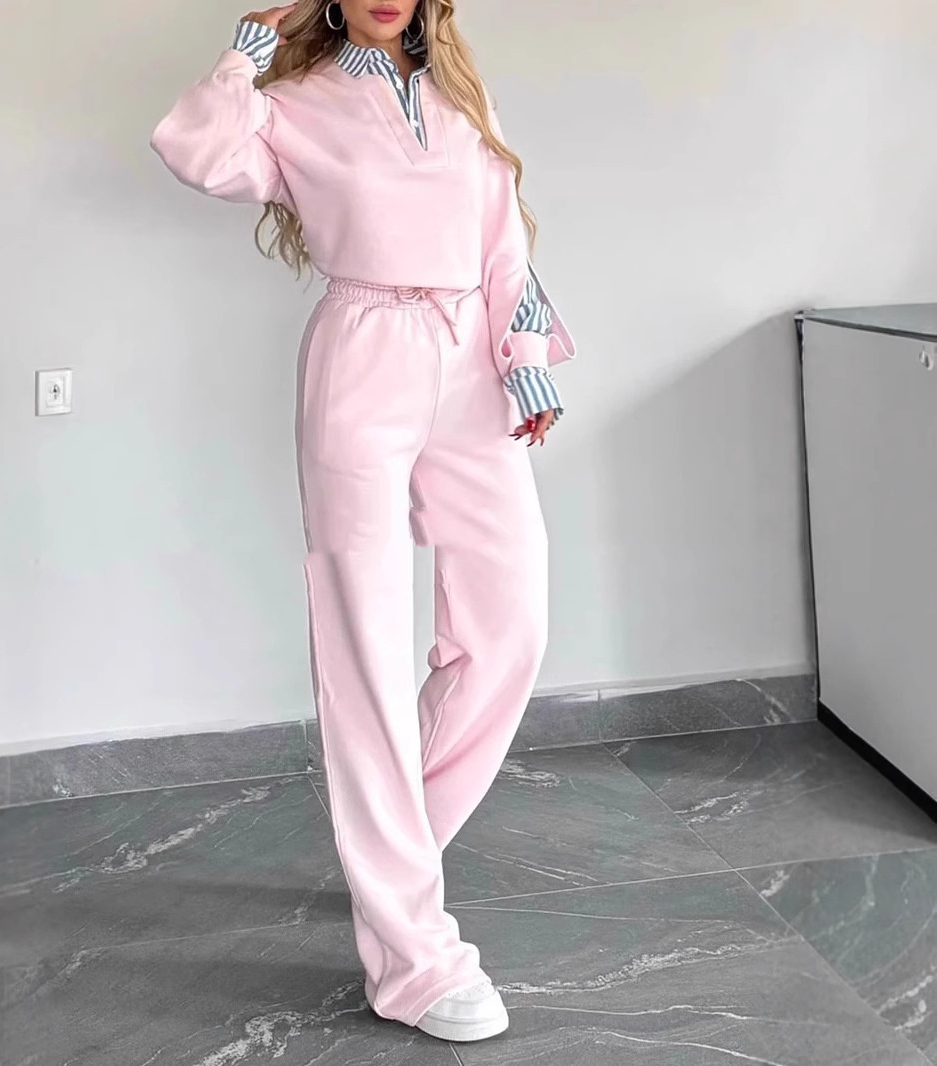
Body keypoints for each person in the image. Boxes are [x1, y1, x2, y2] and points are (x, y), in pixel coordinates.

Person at [150, 0, 575, 1044]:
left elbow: (503, 237)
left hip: (470, 361)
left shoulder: (459, 96)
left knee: (508, 629)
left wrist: (523, 361)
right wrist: (250, 46)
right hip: (362, 354)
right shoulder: (293, 100)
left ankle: (391, 857)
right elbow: (195, 150)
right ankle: (413, 959)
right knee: (366, 650)